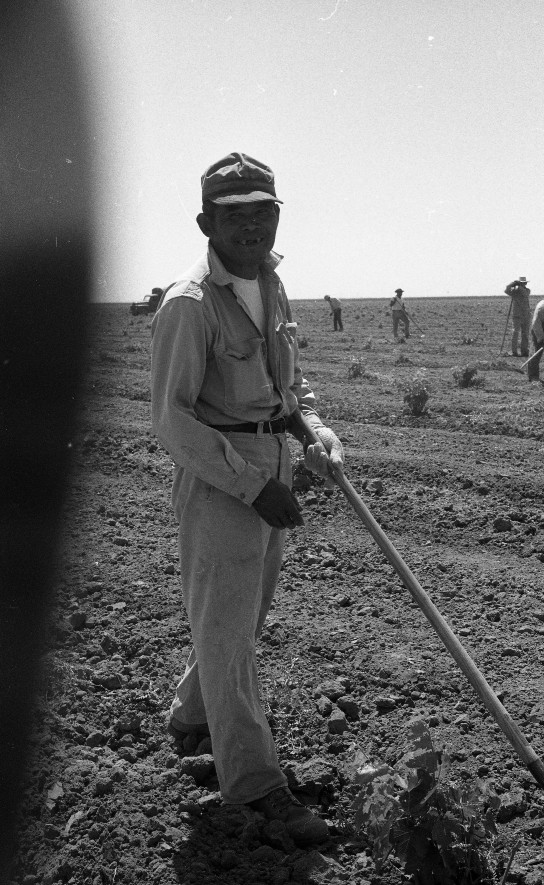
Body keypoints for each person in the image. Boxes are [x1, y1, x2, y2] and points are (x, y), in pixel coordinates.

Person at [150, 152, 344, 844]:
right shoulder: (189, 305)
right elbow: (172, 420)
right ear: (207, 222)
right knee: (230, 632)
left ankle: (192, 716)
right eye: (237, 215)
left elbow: (289, 390)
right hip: (222, 478)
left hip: (274, 463)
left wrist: (315, 430)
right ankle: (257, 786)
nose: (253, 226)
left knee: (242, 617)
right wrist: (252, 484)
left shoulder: (273, 283)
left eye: (265, 211)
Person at [504, 277, 531, 357]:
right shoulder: (515, 291)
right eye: (523, 283)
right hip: (517, 315)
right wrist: (512, 283)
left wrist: (517, 286)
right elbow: (506, 290)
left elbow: (524, 293)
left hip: (526, 315)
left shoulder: (526, 290)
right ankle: (514, 351)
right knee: (515, 333)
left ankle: (524, 351)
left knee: (525, 334)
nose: (524, 284)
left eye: (524, 283)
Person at [528, 291, 544, 384]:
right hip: (538, 332)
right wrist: (543, 339)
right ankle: (533, 376)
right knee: (536, 354)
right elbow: (536, 325)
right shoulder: (542, 308)